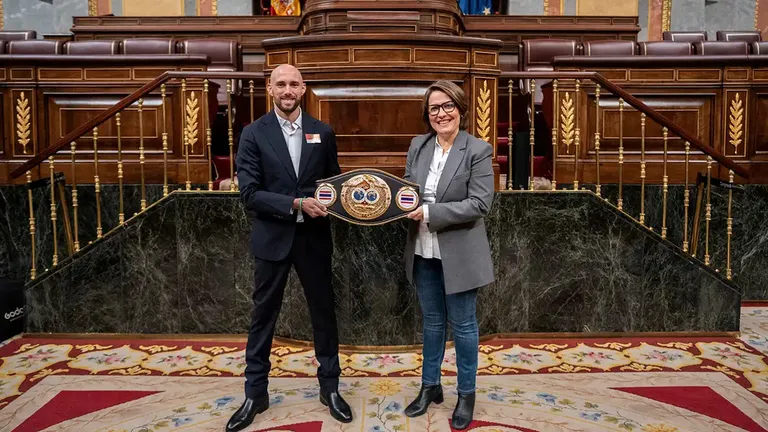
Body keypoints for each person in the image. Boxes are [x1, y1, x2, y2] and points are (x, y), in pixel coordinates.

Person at [226, 64, 352, 432]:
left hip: (314, 239)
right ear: (270, 89)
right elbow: (249, 193)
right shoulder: (253, 133)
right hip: (272, 238)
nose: (287, 90)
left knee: (323, 315)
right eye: (280, 84)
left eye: (294, 84)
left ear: (303, 88)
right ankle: (255, 393)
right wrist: (296, 204)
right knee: (263, 317)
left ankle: (330, 388)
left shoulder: (322, 132)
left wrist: (342, 199)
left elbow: (332, 184)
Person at [402, 80, 495, 430]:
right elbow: (407, 187)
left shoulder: (477, 149)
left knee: (464, 326)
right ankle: (430, 386)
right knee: (432, 322)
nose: (441, 114)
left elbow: (480, 203)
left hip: (460, 251)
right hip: (422, 248)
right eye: (434, 108)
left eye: (447, 106)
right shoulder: (419, 145)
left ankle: (466, 394)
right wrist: (397, 202)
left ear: (460, 108)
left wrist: (428, 212)